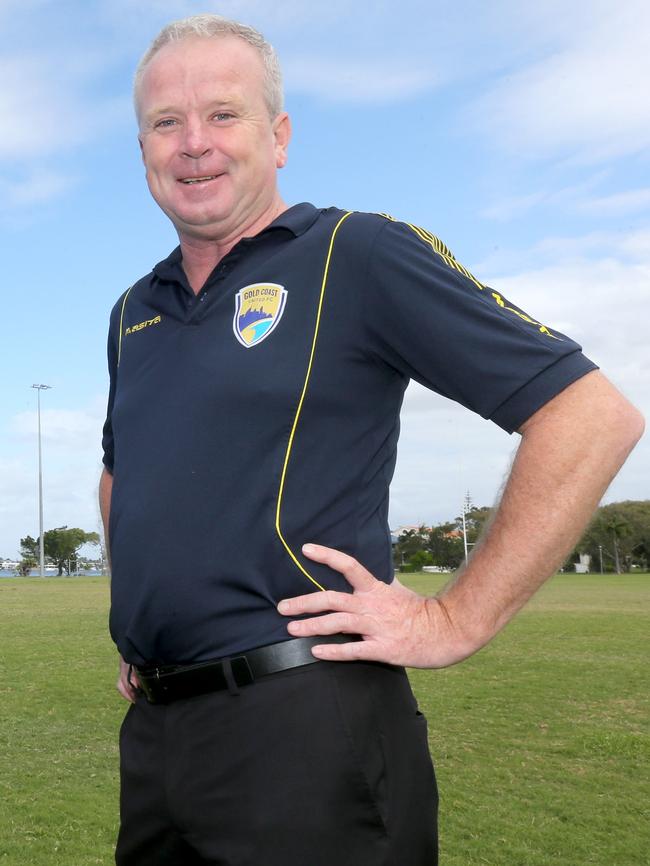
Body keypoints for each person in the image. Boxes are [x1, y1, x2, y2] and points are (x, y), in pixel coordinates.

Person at [99, 13, 644, 866]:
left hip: (308, 725)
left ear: (278, 137)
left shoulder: (358, 254)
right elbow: (119, 474)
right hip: (158, 736)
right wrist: (140, 615)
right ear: (143, 151)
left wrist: (455, 618)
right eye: (167, 123)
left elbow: (589, 415)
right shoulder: (136, 309)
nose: (194, 143)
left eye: (224, 114)